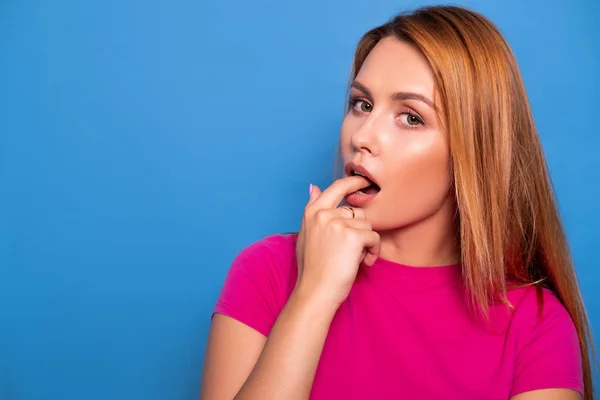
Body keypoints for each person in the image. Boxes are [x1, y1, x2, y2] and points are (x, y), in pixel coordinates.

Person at [200, 5, 594, 400]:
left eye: (410, 118)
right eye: (363, 104)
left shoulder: (535, 325)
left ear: (475, 153)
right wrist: (312, 295)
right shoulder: (267, 272)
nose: (362, 137)